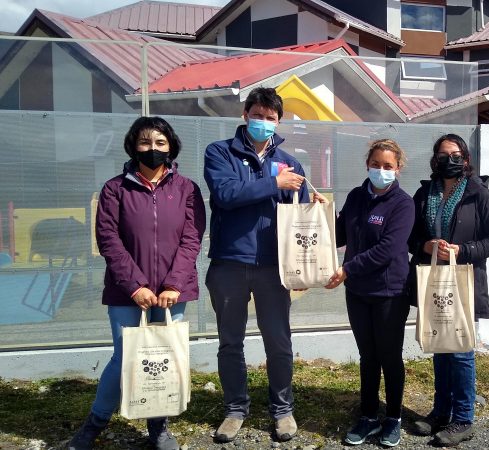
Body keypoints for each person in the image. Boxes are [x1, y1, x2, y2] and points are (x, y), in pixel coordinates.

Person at [69, 117, 206, 450]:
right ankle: (95, 422)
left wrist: (174, 284)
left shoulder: (187, 189)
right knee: (125, 357)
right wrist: (135, 286)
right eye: (145, 142)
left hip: (173, 293)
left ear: (171, 147)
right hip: (125, 291)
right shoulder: (115, 189)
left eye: (160, 142)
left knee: (162, 357)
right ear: (133, 146)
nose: (152, 149)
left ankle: (158, 427)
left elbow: (192, 239)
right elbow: (108, 239)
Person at [204, 87, 321, 443]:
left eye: (271, 118)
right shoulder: (220, 152)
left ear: (279, 121)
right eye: (257, 115)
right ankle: (235, 409)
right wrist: (274, 183)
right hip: (229, 262)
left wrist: (311, 205)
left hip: (274, 266)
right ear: (245, 115)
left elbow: (297, 216)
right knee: (230, 342)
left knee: (279, 341)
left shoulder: (290, 162)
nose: (263, 122)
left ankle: (282, 409)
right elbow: (226, 195)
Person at [407, 134, 489, 446]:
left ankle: (464, 419)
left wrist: (462, 250)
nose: (449, 160)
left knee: (462, 351)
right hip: (434, 281)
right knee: (440, 348)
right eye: (443, 155)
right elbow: (410, 237)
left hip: (464, 281)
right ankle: (441, 412)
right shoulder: (424, 194)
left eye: (455, 155)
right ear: (435, 159)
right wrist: (425, 245)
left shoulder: (481, 195)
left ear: (465, 159)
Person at [325, 139, 415, 447]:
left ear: (398, 169)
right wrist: (320, 213)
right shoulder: (355, 196)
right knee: (367, 356)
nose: (381, 170)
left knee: (389, 356)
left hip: (390, 292)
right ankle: (368, 415)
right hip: (358, 292)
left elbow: (388, 249)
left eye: (388, 166)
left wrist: (347, 269)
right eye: (376, 164)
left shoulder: (403, 204)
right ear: (367, 165)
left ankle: (393, 418)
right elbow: (339, 235)